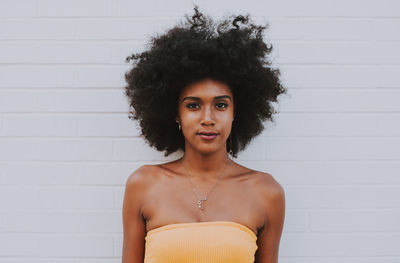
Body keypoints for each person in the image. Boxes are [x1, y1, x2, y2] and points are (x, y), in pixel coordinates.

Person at [121, 5, 287, 263]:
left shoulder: (266, 192)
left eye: (220, 105)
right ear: (175, 113)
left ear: (236, 112)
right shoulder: (143, 185)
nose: (207, 119)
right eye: (193, 105)